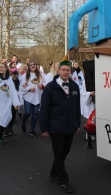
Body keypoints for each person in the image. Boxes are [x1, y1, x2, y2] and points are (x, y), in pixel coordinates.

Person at [40, 58, 81, 194]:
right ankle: (64, 180)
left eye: (67, 70)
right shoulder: (51, 88)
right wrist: (44, 128)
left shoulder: (74, 87)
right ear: (58, 71)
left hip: (70, 126)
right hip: (56, 126)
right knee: (58, 153)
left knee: (65, 152)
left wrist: (78, 123)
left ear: (70, 72)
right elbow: (44, 108)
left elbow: (77, 107)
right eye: (63, 70)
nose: (65, 72)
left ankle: (53, 172)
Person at [19, 60, 46, 137]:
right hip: (28, 97)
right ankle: (23, 122)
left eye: (34, 64)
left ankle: (32, 130)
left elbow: (45, 82)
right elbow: (22, 85)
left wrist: (42, 86)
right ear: (29, 67)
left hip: (37, 97)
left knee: (35, 114)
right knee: (27, 112)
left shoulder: (41, 75)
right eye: (31, 65)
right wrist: (29, 88)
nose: (33, 66)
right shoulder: (25, 75)